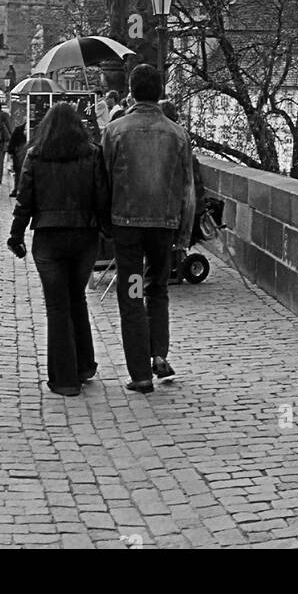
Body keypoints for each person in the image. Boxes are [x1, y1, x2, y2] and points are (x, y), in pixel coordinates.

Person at [102, 65, 195, 394]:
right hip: (163, 225)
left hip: (127, 225)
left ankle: (140, 372)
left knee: (132, 293)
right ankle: (158, 356)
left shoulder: (114, 131)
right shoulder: (177, 134)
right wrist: (183, 234)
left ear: (130, 90)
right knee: (158, 289)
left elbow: (105, 181)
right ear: (160, 92)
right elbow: (188, 190)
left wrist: (106, 223)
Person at [7, 103, 106, 397]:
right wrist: (107, 231)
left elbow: (25, 200)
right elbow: (102, 196)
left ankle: (64, 379)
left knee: (57, 306)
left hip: (49, 236)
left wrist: (16, 235)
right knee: (77, 299)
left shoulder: (35, 155)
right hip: (84, 235)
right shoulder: (92, 154)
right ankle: (85, 364)